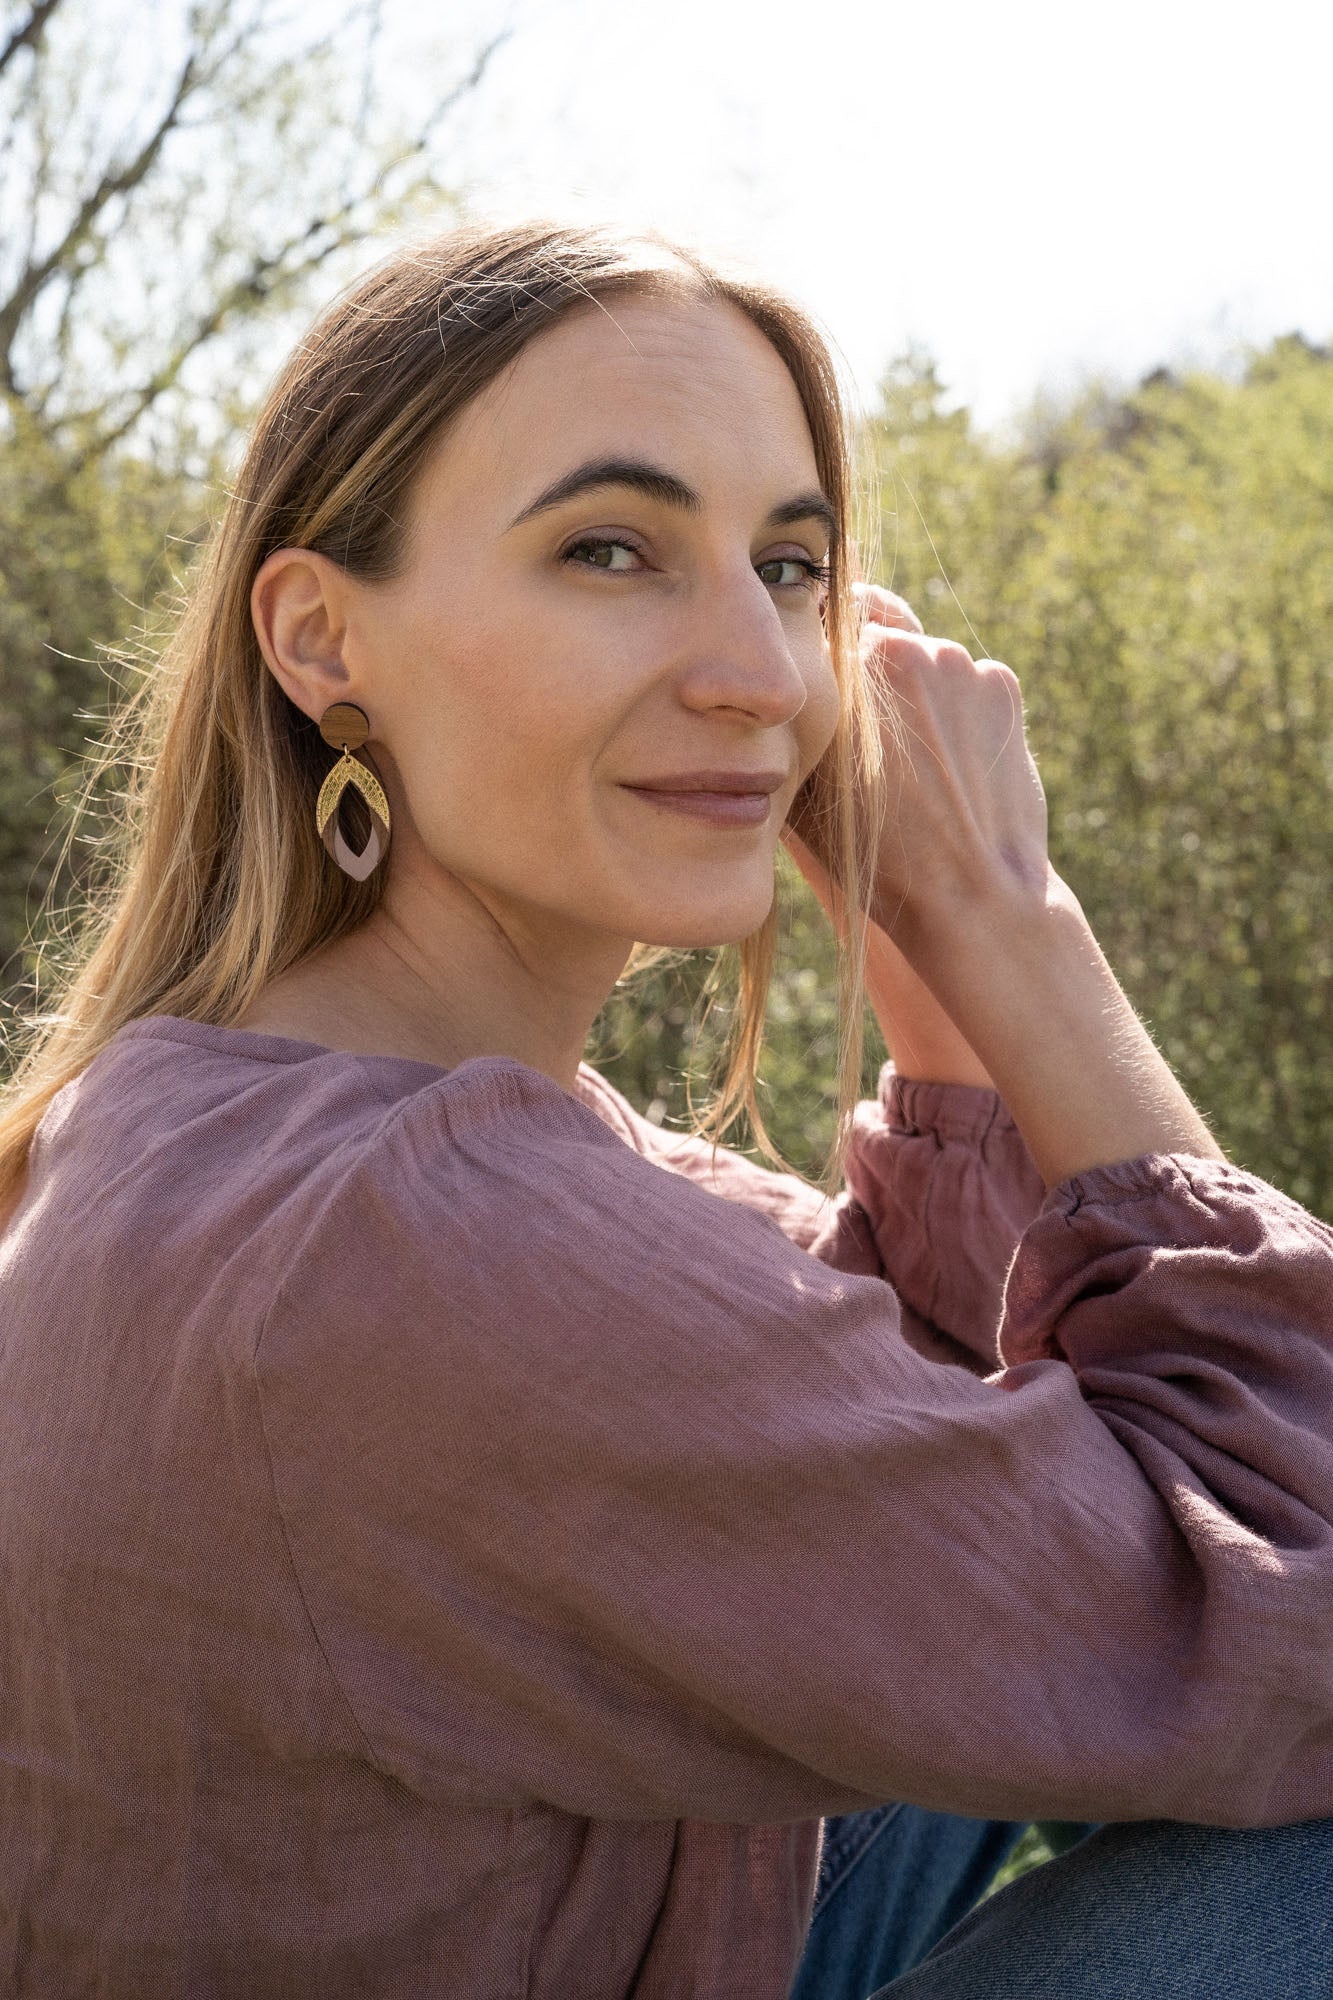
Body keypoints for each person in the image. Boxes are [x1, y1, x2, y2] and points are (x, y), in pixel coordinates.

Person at [0, 217, 1330, 2000]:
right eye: (610, 549)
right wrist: (1017, 929)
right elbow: (1293, 1598)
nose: (764, 679)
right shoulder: (422, 1235)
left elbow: (929, 1431)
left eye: (788, 566)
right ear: (324, 640)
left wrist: (925, 970)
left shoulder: (222, 1102)